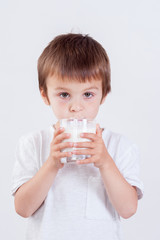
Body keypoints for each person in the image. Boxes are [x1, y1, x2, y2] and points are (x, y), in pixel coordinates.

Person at [11, 33, 143, 240]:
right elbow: (23, 208)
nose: (76, 107)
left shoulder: (119, 146)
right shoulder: (33, 143)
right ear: (45, 95)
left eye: (88, 94)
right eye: (64, 95)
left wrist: (106, 163)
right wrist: (52, 163)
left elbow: (128, 209)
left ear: (104, 95)